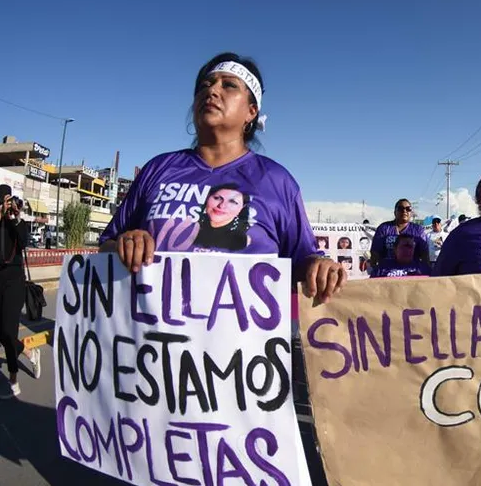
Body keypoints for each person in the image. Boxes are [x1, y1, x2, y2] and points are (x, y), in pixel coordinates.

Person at [97, 52, 345, 485]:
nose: (211, 90)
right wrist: (123, 242)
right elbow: (105, 246)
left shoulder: (276, 181)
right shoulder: (158, 170)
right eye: (204, 85)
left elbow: (302, 256)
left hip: (239, 378)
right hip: (156, 376)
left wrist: (319, 265)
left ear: (252, 111)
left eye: (228, 85)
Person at [0, 185, 41, 399]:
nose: (9, 205)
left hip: (14, 281)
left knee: (8, 332)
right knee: (1, 333)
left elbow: (24, 242)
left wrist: (16, 217)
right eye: (4, 201)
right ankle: (28, 352)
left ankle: (13, 379)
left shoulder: (17, 223)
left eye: (10, 201)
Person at [192, 183, 251, 251]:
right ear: (207, 198)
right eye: (217, 198)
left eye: (232, 202)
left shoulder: (246, 233)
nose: (221, 206)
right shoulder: (191, 222)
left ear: (242, 207)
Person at [370, 198, 429, 265]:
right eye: (400, 208)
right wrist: (376, 270)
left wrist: (426, 270)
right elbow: (375, 252)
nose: (404, 211)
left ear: (411, 213)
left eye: (408, 209)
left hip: (411, 271)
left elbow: (425, 254)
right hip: (387, 271)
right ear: (395, 212)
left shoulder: (418, 230)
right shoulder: (383, 228)